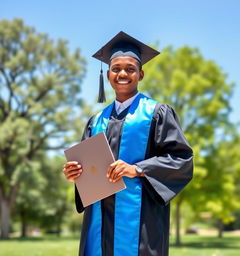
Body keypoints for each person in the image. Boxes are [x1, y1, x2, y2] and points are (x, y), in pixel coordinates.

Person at [63, 31, 193, 256]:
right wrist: (76, 173)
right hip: (99, 223)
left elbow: (181, 159)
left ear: (140, 74)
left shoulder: (157, 113)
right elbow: (89, 174)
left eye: (130, 69)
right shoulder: (96, 121)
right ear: (108, 75)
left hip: (141, 223)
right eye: (116, 68)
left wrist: (138, 169)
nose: (122, 73)